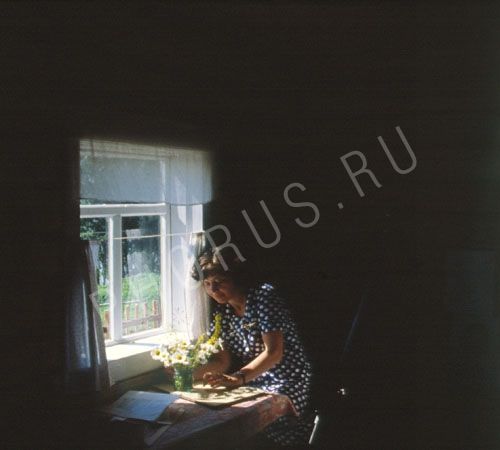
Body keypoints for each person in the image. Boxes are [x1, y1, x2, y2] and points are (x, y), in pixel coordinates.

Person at [191, 248, 314, 447]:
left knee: (259, 419)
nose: (213, 289)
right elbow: (222, 361)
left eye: (219, 281)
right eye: (207, 283)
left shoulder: (264, 297)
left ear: (235, 278)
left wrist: (237, 378)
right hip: (252, 379)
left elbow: (273, 353)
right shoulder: (222, 312)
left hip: (287, 378)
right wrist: (189, 374)